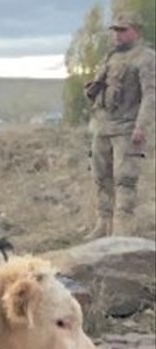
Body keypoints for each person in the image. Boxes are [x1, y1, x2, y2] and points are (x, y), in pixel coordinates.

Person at [85, 11, 155, 238]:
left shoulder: (146, 58)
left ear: (136, 31)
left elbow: (150, 95)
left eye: (123, 30)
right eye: (115, 30)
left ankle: (123, 228)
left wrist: (141, 126)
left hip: (127, 128)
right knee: (101, 177)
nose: (117, 35)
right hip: (103, 126)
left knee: (125, 179)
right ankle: (103, 224)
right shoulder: (112, 56)